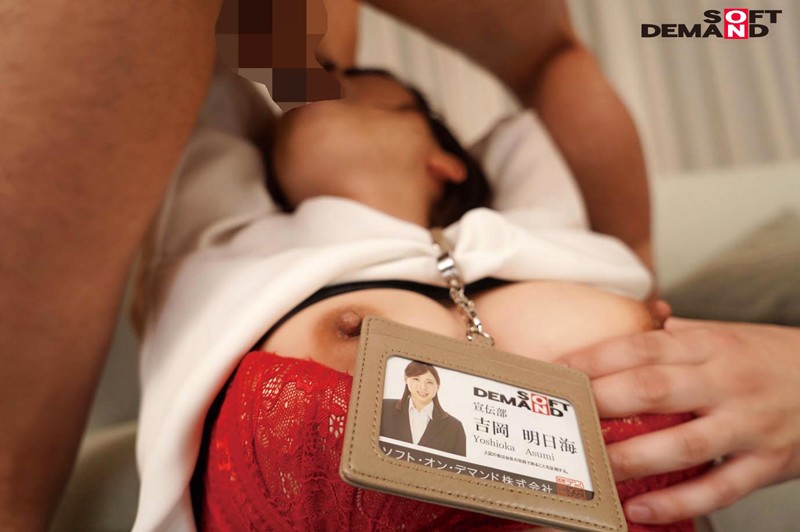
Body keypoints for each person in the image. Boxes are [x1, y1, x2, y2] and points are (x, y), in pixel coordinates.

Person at [2, 2, 799, 531]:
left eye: (357, 89)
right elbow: (237, 38)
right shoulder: (235, 234)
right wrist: (305, 68)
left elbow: (556, 70)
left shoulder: (542, 223)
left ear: (443, 160)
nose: (315, 94)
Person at [380, 362, 467, 457]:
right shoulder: (384, 408)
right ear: (406, 379)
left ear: (437, 386)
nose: (423, 387)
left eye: (429, 382)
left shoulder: (454, 427)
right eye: (416, 379)